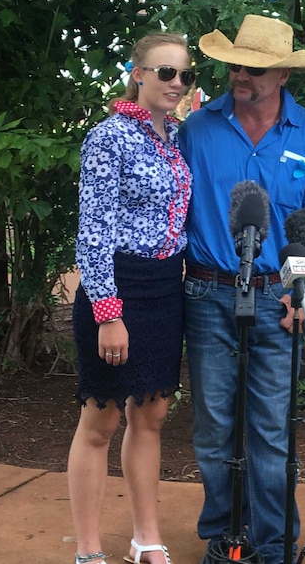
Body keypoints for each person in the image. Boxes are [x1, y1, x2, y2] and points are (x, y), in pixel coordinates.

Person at [178, 14, 305, 564]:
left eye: (254, 69)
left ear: (285, 75)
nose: (239, 75)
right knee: (214, 426)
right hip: (206, 294)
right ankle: (225, 540)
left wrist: (304, 294)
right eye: (236, 65)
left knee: (270, 430)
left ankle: (273, 548)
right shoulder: (195, 128)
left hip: (279, 297)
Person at [68, 32, 195, 564]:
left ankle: (146, 537)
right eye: (165, 72)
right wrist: (107, 313)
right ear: (138, 73)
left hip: (166, 288)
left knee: (152, 416)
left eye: (185, 75)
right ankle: (90, 548)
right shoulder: (109, 137)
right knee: (101, 421)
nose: (176, 84)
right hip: (117, 287)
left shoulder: (177, 139)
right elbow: (93, 232)